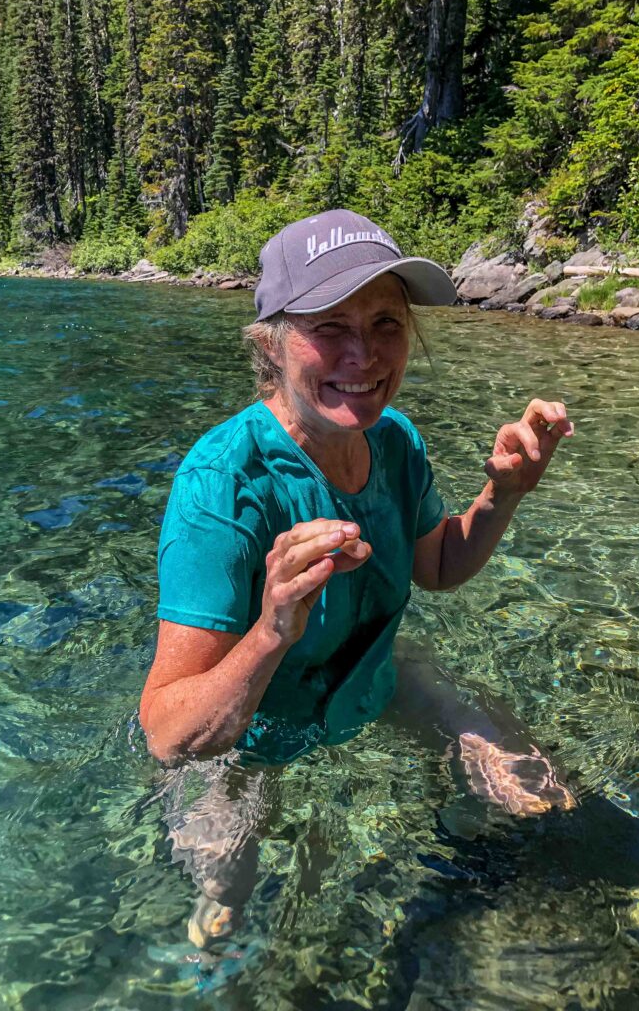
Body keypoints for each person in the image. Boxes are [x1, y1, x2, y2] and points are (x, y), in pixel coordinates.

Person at [140, 208, 575, 947]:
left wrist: (501, 496)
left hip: (374, 678)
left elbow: (435, 565)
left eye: (385, 324)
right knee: (226, 894)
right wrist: (274, 628)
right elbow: (168, 731)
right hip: (251, 736)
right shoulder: (223, 485)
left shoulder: (394, 438)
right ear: (272, 344)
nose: (365, 356)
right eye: (331, 327)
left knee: (534, 791)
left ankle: (470, 912)